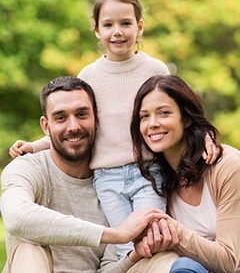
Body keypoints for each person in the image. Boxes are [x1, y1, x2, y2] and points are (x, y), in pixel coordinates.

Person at [8, 0, 219, 258]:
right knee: (124, 249)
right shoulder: (89, 75)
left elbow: (181, 113)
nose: (117, 31)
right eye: (108, 24)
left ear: (139, 27)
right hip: (106, 178)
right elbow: (79, 125)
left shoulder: (155, 69)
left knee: (151, 239)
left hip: (148, 172)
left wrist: (205, 136)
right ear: (97, 30)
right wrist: (35, 146)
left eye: (126, 23)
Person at [1, 76, 181, 273]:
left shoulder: (112, 185)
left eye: (81, 114)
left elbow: (109, 269)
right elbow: (17, 217)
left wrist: (134, 254)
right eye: (61, 117)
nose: (73, 127)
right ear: (46, 126)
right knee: (28, 247)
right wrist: (116, 234)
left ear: (96, 118)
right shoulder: (28, 168)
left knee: (170, 259)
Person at [130, 74, 240, 272]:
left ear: (187, 118)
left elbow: (229, 261)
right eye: (144, 116)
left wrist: (173, 231)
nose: (152, 123)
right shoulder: (154, 178)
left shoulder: (227, 167)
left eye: (164, 113)